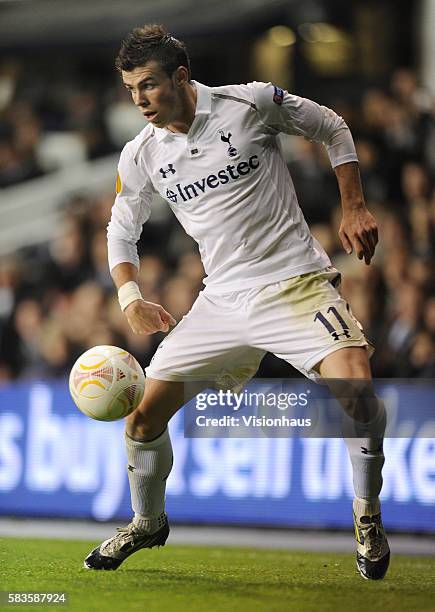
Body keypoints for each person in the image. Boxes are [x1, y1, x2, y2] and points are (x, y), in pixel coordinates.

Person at [84, 24, 389, 580]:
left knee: (359, 393)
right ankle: (147, 523)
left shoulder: (251, 103)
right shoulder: (142, 154)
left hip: (293, 283)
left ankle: (367, 515)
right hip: (220, 301)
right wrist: (130, 298)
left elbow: (332, 127)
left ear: (180, 76)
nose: (139, 100)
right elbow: (120, 229)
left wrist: (354, 206)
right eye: (131, 89)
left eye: (148, 85)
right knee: (141, 421)